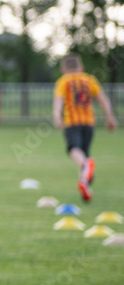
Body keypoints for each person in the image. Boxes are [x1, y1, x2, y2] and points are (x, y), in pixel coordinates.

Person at [52, 53, 117, 203]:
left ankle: (85, 167)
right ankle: (85, 187)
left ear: (63, 69)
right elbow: (102, 99)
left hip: (72, 123)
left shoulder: (64, 81)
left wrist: (56, 116)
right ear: (81, 67)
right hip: (89, 123)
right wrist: (110, 117)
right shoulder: (89, 80)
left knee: (74, 150)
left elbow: (59, 99)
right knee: (84, 154)